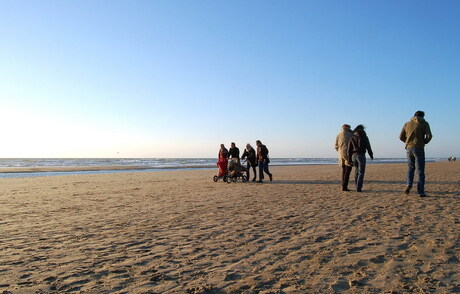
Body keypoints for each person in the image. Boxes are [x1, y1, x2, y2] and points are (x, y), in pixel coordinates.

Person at [399, 110, 433, 197]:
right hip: (419, 148)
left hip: (409, 148)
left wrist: (407, 142)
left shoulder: (407, 123)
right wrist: (424, 142)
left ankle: (408, 184)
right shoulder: (424, 123)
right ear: (423, 116)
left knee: (410, 168)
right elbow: (429, 136)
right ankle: (420, 192)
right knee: (420, 170)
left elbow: (400, 137)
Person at [347, 125, 374, 192]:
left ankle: (357, 186)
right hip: (361, 155)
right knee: (361, 172)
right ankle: (359, 188)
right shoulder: (364, 137)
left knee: (356, 171)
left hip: (354, 155)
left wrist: (349, 158)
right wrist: (371, 154)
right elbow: (368, 146)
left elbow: (349, 149)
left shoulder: (352, 137)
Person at [335, 124, 354, 191]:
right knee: (348, 171)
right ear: (349, 128)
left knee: (344, 171)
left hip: (340, 154)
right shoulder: (351, 134)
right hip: (349, 154)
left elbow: (336, 146)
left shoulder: (338, 135)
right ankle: (344, 187)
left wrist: (340, 151)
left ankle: (343, 185)